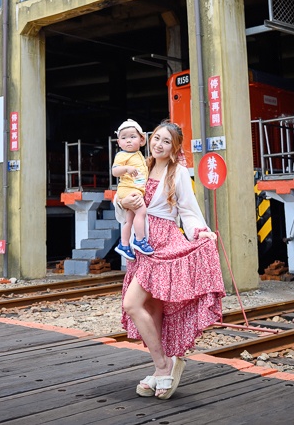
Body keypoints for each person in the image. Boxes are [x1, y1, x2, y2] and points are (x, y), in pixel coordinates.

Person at [116, 120, 224, 400]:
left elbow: (187, 210)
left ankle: (165, 365)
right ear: (149, 140)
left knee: (131, 303)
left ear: (174, 147)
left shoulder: (178, 172)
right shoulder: (142, 166)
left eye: (166, 141)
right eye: (157, 139)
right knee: (152, 309)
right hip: (143, 245)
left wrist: (200, 231)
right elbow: (125, 197)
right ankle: (160, 366)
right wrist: (123, 203)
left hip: (163, 244)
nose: (159, 144)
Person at [112, 119, 152, 260]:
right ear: (118, 142)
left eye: (132, 137)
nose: (128, 141)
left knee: (129, 220)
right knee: (141, 211)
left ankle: (124, 244)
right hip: (129, 190)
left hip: (133, 189)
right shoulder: (122, 155)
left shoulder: (138, 155)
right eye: (124, 138)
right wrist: (126, 168)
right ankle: (140, 240)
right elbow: (115, 171)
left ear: (142, 140)